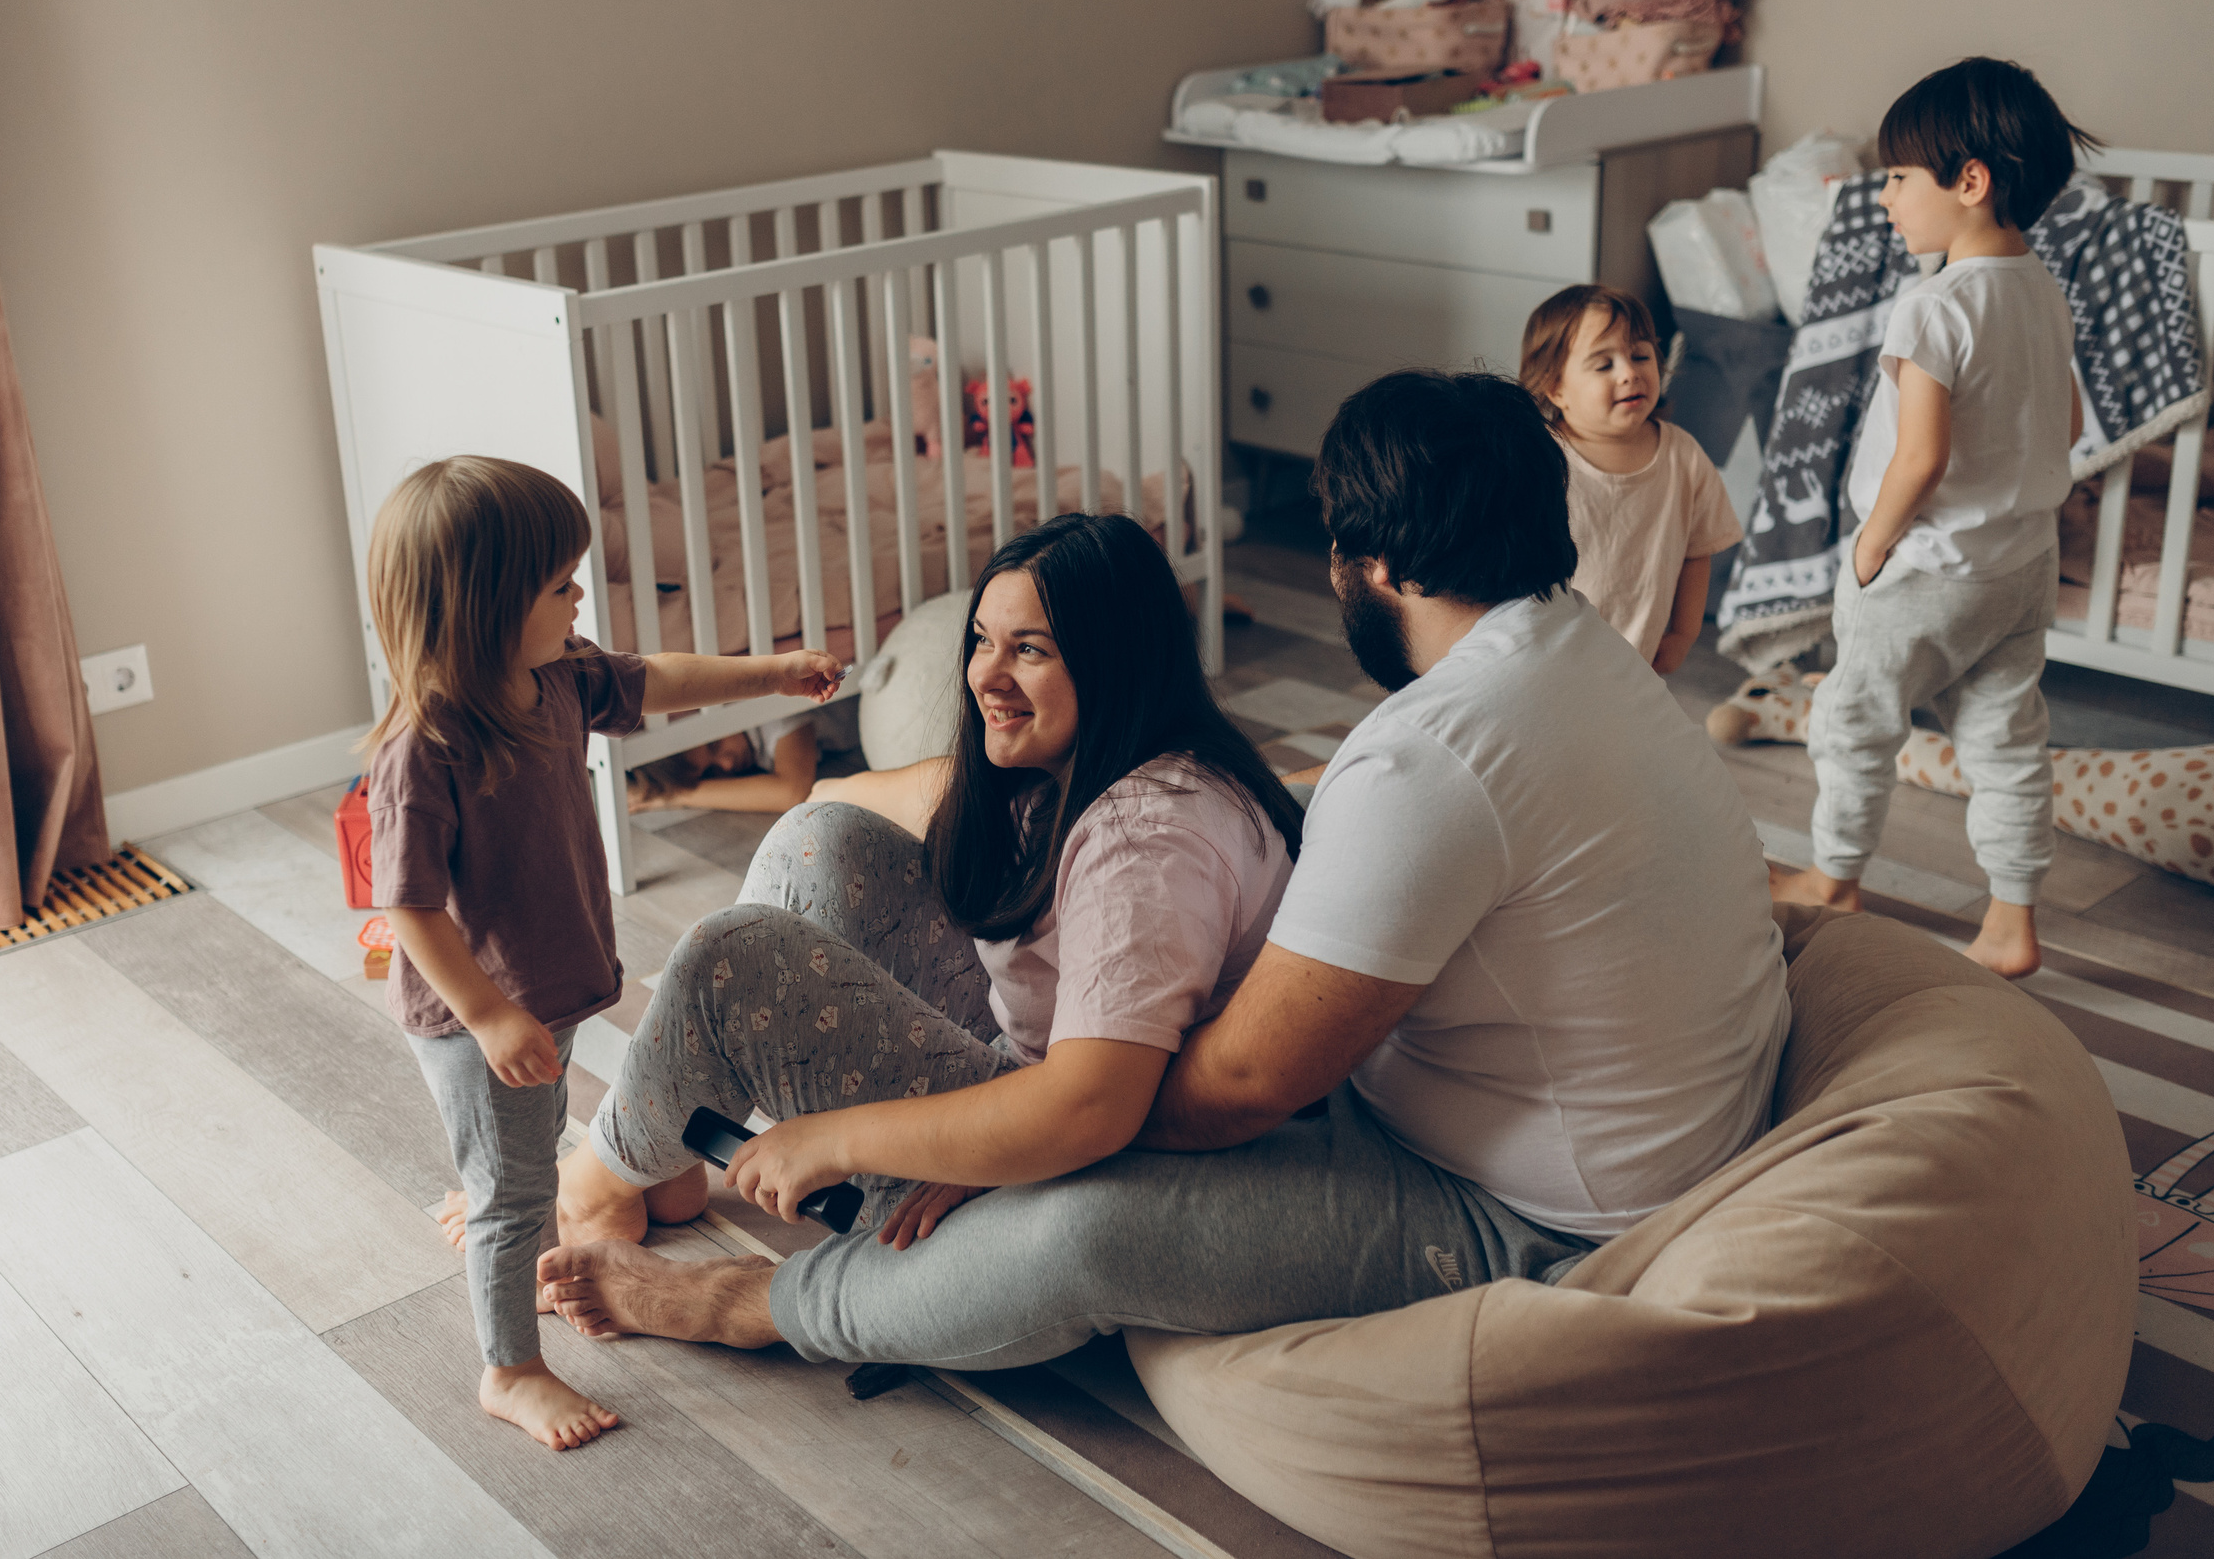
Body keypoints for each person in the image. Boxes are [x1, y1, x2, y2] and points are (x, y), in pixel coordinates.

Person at [536, 371, 1791, 1372]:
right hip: (1562, 1115)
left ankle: (769, 1303)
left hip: (1522, 1211)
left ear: (1380, 567)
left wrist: (1022, 1142)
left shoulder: (1428, 758)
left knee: (1080, 1228)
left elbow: (1234, 1088)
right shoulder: (1583, 659)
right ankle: (712, 1163)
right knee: (842, 853)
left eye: (1341, 549)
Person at [523, 511, 1300, 1263]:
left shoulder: (1145, 843)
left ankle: (597, 1182)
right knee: (817, 840)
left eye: (1028, 649)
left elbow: (1091, 1107)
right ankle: (663, 1130)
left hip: (1060, 1152)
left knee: (730, 959)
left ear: (1114, 661)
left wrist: (833, 1139)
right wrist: (815, 790)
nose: (985, 675)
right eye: (982, 641)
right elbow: (855, 799)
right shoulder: (1095, 764)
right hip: (1032, 1062)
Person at [362, 455, 839, 1451]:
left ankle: (512, 1216)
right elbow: (405, 905)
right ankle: (509, 1367)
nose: (579, 597)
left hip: (549, 982)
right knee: (511, 1188)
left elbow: (652, 678)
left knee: (525, 1150)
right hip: (478, 1010)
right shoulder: (426, 743)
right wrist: (489, 1014)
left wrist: (771, 673)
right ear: (485, 604)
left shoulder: (559, 674)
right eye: (559, 584)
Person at [1768, 57, 2092, 980]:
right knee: (2007, 739)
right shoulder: (2040, 289)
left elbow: (1921, 456)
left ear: (1970, 183)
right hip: (2018, 564)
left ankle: (1834, 878)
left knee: (1854, 721)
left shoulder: (1936, 303)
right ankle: (2011, 920)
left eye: (1900, 179)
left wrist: (1872, 543)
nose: (1887, 200)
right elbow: (2066, 422)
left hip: (1921, 568)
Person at [1518, 283, 1743, 673]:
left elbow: (1697, 552)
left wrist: (1683, 635)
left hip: (1636, 660)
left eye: (1640, 356)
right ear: (1556, 389)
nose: (1629, 373)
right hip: (1541, 657)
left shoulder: (1683, 456)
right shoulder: (1539, 460)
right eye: (1603, 365)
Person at [626, 717, 822, 815]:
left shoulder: (773, 716)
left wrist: (676, 795)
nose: (727, 765)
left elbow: (792, 793)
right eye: (711, 771)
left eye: (715, 745)